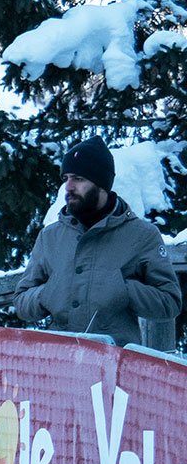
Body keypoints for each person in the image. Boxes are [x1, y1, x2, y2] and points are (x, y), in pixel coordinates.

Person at [12, 137, 181, 346]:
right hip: (58, 363)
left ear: (101, 183)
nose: (69, 187)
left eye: (78, 179)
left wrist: (123, 289)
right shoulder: (50, 236)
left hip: (117, 366)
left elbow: (169, 302)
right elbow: (21, 302)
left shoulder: (142, 235)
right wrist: (47, 293)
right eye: (66, 178)